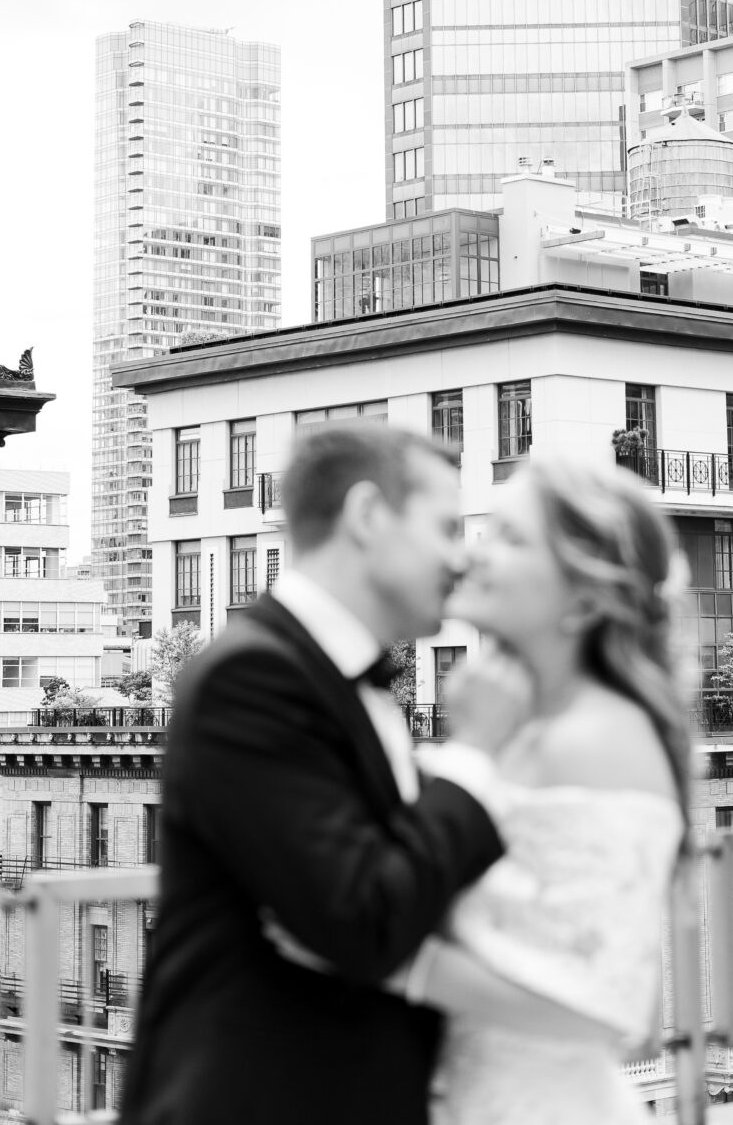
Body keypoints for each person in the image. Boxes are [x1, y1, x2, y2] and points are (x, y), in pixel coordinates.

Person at [120, 421, 531, 1125]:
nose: (461, 560)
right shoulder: (248, 680)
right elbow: (362, 916)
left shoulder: (343, 680)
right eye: (444, 528)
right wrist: (474, 757)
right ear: (368, 516)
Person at [268, 454, 693, 1124]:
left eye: (511, 539)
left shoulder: (599, 737)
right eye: (484, 530)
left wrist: (389, 962)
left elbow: (607, 1007)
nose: (471, 557)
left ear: (584, 600)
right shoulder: (510, 726)